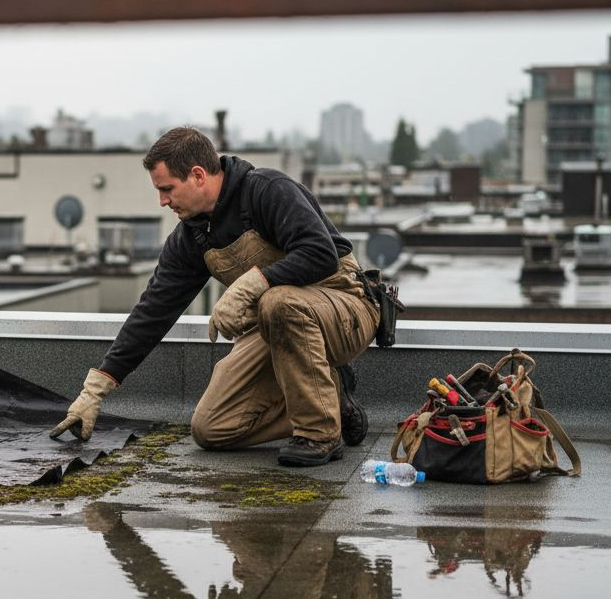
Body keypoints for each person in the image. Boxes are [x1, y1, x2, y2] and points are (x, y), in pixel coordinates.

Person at [49, 127, 378, 466]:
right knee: (211, 429)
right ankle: (332, 403)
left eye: (167, 189)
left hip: (345, 307)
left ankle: (319, 434)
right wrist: (98, 387)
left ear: (197, 175)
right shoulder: (191, 237)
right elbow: (153, 311)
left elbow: (320, 253)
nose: (162, 201)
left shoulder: (267, 191)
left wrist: (254, 283)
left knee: (277, 302)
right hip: (280, 326)